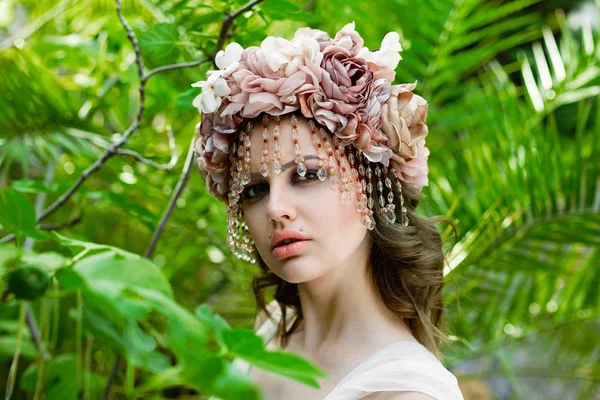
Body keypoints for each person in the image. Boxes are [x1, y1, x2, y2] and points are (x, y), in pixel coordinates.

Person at [193, 22, 464, 400]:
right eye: (254, 190)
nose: (275, 208)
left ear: (371, 183)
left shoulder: (404, 394)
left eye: (307, 175)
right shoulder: (270, 331)